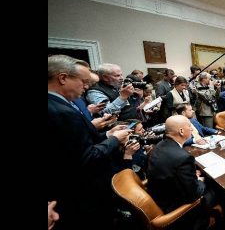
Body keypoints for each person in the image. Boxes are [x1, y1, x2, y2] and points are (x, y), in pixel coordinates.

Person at [48, 55, 131, 230]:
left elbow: (78, 142)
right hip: (81, 192)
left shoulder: (59, 105)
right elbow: (86, 156)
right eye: (84, 82)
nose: (86, 88)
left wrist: (108, 133)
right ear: (62, 78)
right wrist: (115, 140)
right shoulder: (61, 112)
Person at [147, 115, 216, 230]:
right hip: (175, 207)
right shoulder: (183, 157)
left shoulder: (159, 145)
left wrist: (191, 176)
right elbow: (195, 193)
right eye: (190, 126)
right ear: (181, 131)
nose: (192, 129)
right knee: (216, 188)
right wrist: (199, 180)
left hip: (160, 195)